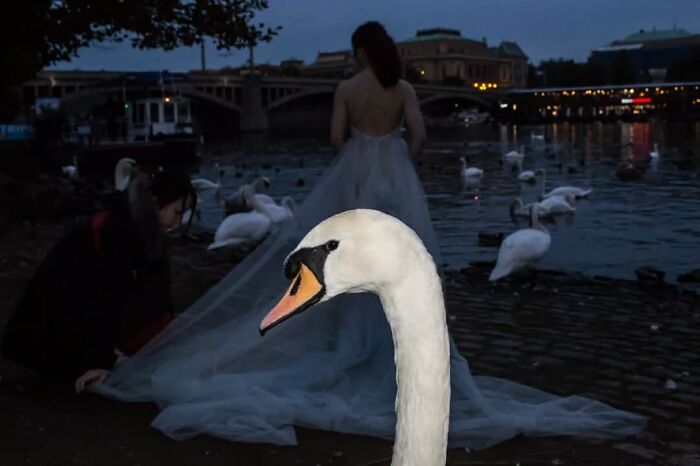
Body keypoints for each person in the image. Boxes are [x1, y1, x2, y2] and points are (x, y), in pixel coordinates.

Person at [93, 22, 644, 449]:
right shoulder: (402, 87)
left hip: (358, 176)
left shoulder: (348, 88)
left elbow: (335, 138)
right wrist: (400, 161)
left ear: (359, 51)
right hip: (398, 182)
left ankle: (350, 345)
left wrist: (359, 158)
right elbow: (420, 135)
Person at [1, 170, 196, 394]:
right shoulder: (117, 229)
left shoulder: (140, 226)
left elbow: (143, 292)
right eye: (177, 212)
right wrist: (99, 361)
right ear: (157, 201)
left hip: (84, 309)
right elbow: (103, 294)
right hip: (58, 316)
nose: (178, 222)